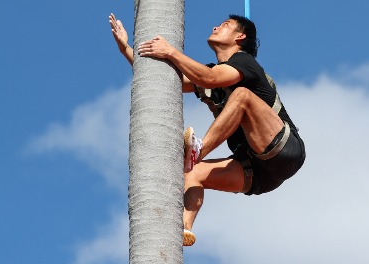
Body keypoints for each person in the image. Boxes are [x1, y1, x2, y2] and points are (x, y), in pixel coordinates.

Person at [109, 13, 306, 246]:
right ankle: (184, 228)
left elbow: (210, 78)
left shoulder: (244, 62)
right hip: (260, 174)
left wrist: (171, 51)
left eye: (225, 25)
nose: (215, 26)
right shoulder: (213, 73)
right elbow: (174, 80)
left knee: (242, 96)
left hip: (286, 150)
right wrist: (126, 50)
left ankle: (198, 150)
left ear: (240, 37)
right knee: (193, 173)